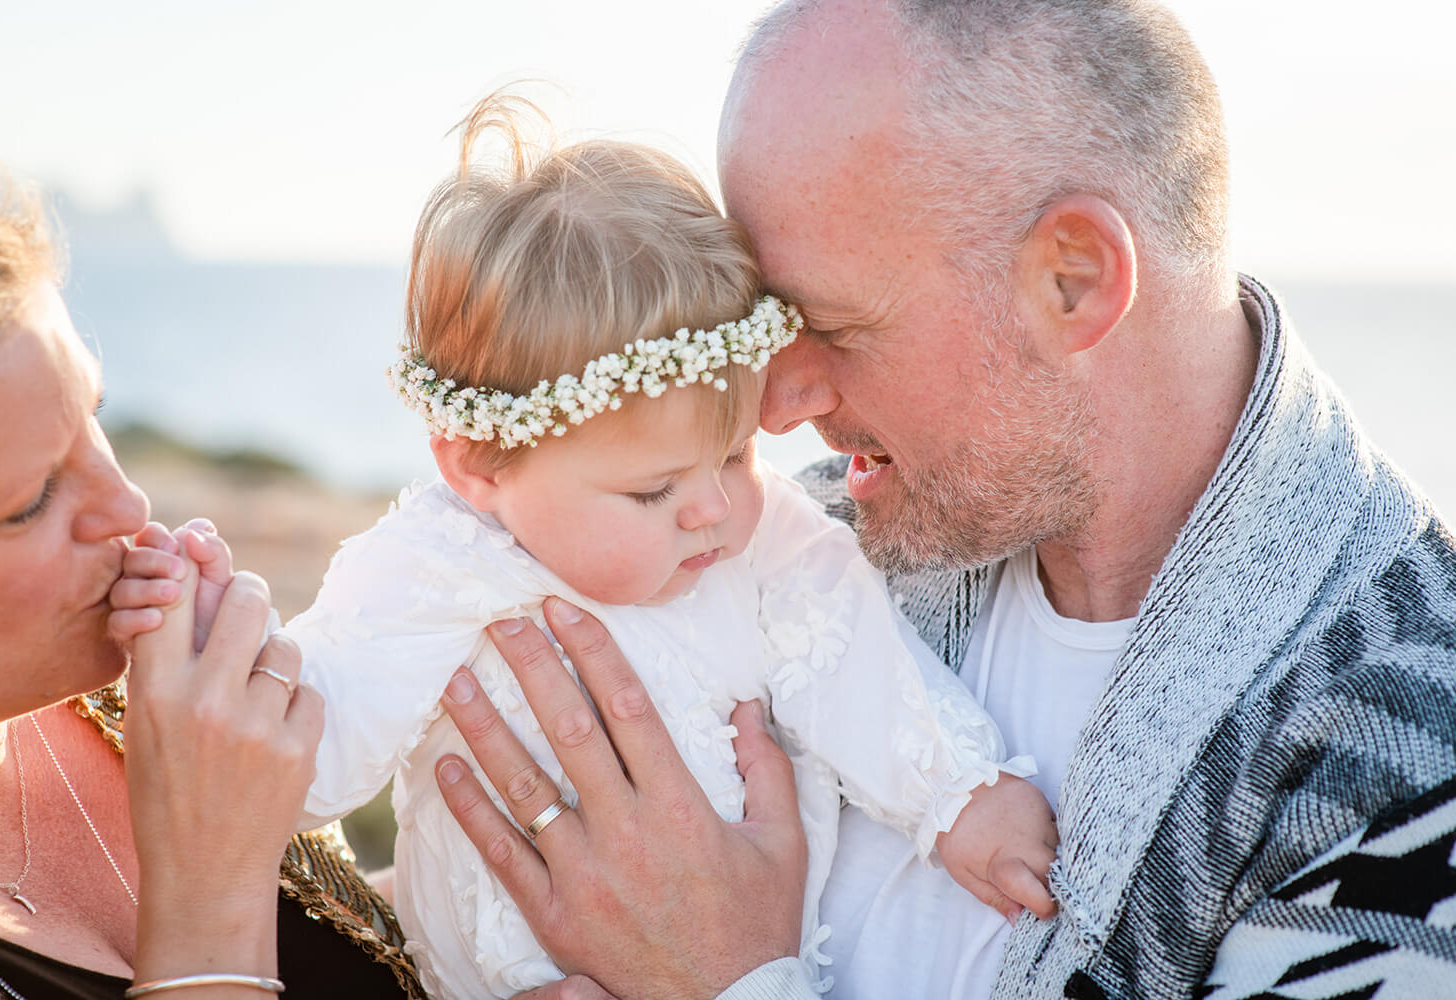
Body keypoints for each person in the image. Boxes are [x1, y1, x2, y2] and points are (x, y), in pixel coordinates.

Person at [429, 1, 1456, 998]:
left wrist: (723, 983)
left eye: (827, 323)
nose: (776, 406)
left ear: (1074, 279)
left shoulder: (1410, 752)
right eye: (757, 327)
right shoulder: (805, 544)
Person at [113, 96, 1058, 999]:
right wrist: (208, 642)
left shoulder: (770, 541)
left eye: (733, 453)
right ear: (481, 465)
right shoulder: (432, 567)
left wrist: (956, 794)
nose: (712, 509)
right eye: (652, 489)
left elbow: (852, 656)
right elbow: (320, 746)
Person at [0, 165, 427, 997]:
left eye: (92, 417)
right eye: (31, 500)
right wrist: (209, 888)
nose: (127, 502)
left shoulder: (133, 708)